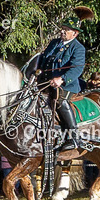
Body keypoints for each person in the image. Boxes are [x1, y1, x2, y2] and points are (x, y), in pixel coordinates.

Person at [37, 13, 88, 151]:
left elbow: (77, 68)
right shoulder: (54, 43)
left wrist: (62, 79)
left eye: (66, 29)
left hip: (67, 86)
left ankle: (73, 137)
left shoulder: (78, 48)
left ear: (75, 33)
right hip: (46, 83)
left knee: (60, 101)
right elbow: (44, 60)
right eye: (62, 28)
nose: (62, 31)